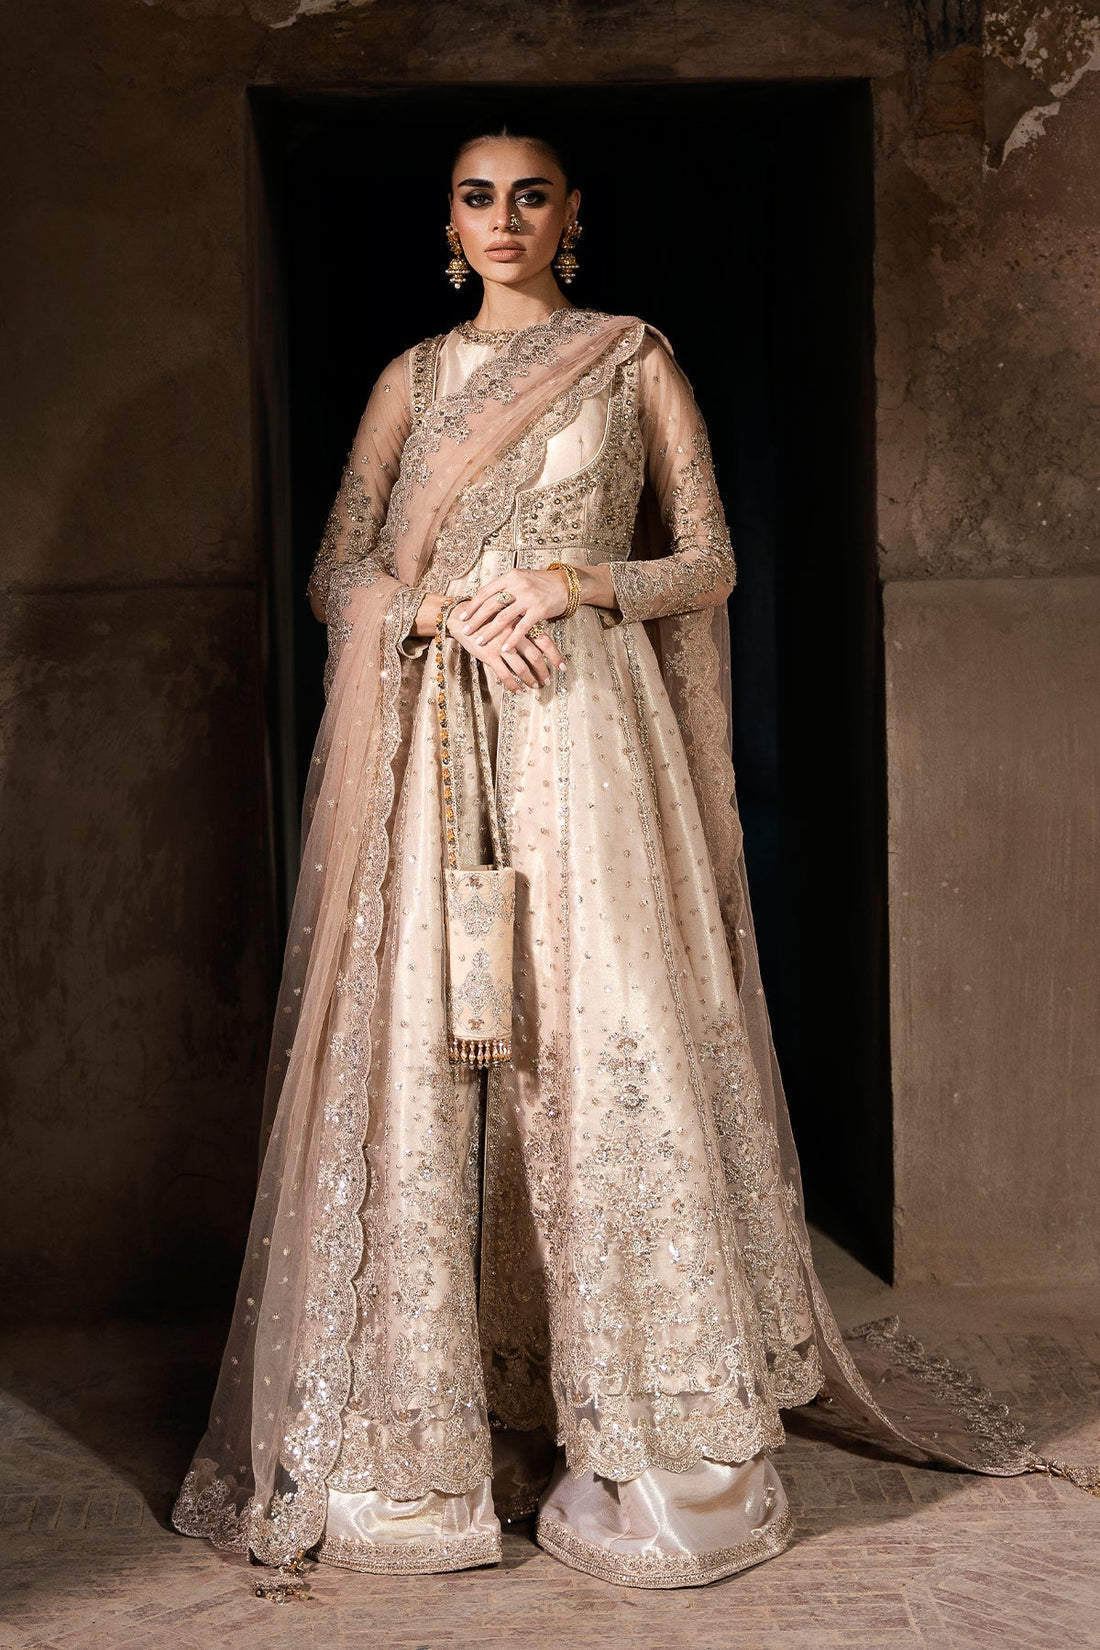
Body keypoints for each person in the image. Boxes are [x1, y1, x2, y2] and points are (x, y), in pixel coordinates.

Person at [171, 127, 1096, 1595]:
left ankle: (651, 1432)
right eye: (478, 197)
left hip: (589, 743)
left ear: (571, 215)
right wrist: (436, 616)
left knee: (607, 1042)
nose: (504, 218)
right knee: (433, 1051)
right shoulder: (410, 382)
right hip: (433, 748)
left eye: (531, 195)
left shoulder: (630, 360)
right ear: (451, 221)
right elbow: (339, 570)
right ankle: (433, 1424)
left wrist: (571, 580)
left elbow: (710, 561)